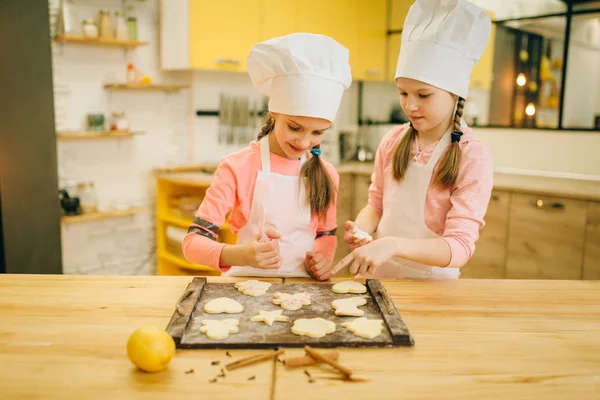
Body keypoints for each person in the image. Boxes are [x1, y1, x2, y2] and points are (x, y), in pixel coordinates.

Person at [332, 0, 494, 279]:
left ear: (455, 93)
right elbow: (376, 206)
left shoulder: (472, 155)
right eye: (403, 93)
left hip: (433, 289)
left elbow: (460, 247)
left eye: (423, 95)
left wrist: (391, 245)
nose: (410, 106)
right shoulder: (394, 140)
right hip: (378, 277)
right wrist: (362, 229)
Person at [183, 33, 352, 279]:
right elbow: (192, 244)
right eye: (294, 128)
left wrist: (322, 261)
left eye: (317, 133)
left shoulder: (327, 174)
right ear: (274, 112)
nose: (304, 142)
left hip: (305, 293)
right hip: (244, 289)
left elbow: (325, 235)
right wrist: (240, 255)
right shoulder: (237, 167)